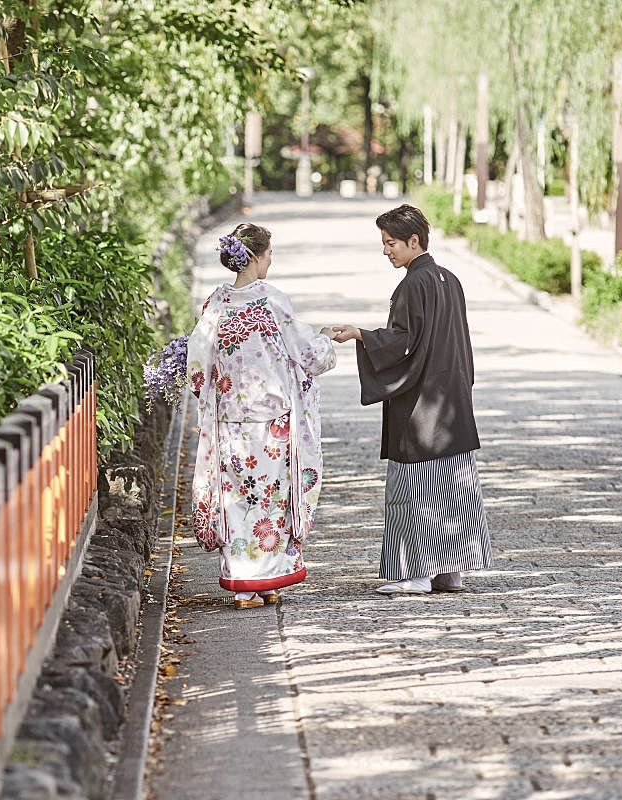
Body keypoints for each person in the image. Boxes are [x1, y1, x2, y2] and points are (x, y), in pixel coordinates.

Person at [330, 204, 493, 595]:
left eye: (391, 243)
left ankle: (417, 574)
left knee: (415, 488)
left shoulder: (412, 285)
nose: (386, 251)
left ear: (413, 240)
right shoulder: (449, 279)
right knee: (453, 488)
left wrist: (360, 335)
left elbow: (403, 344)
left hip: (421, 405)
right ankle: (450, 571)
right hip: (451, 400)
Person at [187, 223, 337, 609]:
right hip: (272, 423)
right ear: (255, 256)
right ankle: (265, 577)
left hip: (229, 422)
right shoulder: (271, 301)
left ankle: (249, 582)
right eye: (269, 253)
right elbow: (308, 355)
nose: (271, 260)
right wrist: (324, 337)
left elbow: (197, 367)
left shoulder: (216, 304)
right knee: (271, 500)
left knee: (238, 497)